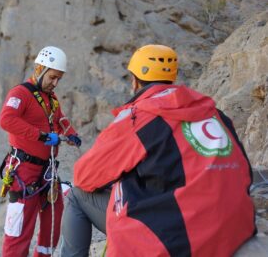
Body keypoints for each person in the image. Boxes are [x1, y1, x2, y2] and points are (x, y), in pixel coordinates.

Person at [60, 44, 256, 256]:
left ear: (135, 81)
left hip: (176, 238)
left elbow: (84, 176)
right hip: (234, 230)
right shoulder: (215, 114)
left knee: (76, 195)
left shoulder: (139, 117)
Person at [0, 46, 82, 257]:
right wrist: (42, 136)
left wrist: (70, 133)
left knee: (52, 220)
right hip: (24, 171)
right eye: (53, 77)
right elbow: (6, 120)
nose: (55, 83)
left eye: (58, 79)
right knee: (19, 227)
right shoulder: (20, 94)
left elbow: (59, 118)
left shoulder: (50, 98)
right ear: (39, 69)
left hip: (47, 171)